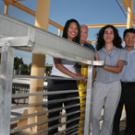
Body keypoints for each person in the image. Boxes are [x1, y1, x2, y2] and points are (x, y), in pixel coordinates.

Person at [47, 19, 86, 135]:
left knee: (74, 115)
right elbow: (58, 64)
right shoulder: (58, 41)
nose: (73, 30)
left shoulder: (76, 46)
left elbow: (73, 66)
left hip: (71, 83)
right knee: (54, 118)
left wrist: (79, 75)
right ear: (66, 29)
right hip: (56, 82)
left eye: (76, 28)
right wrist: (74, 75)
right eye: (71, 27)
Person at [91, 25, 126, 135]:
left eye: (111, 32)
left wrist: (101, 65)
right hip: (99, 84)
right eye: (106, 32)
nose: (108, 34)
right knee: (94, 115)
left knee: (109, 117)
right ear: (102, 35)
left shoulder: (121, 52)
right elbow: (95, 70)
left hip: (114, 86)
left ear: (114, 35)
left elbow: (118, 69)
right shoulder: (97, 52)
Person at [113, 28, 135, 135]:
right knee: (114, 114)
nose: (130, 39)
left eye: (133, 37)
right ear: (124, 39)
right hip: (117, 86)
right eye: (128, 37)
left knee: (131, 116)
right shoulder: (117, 53)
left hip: (132, 88)